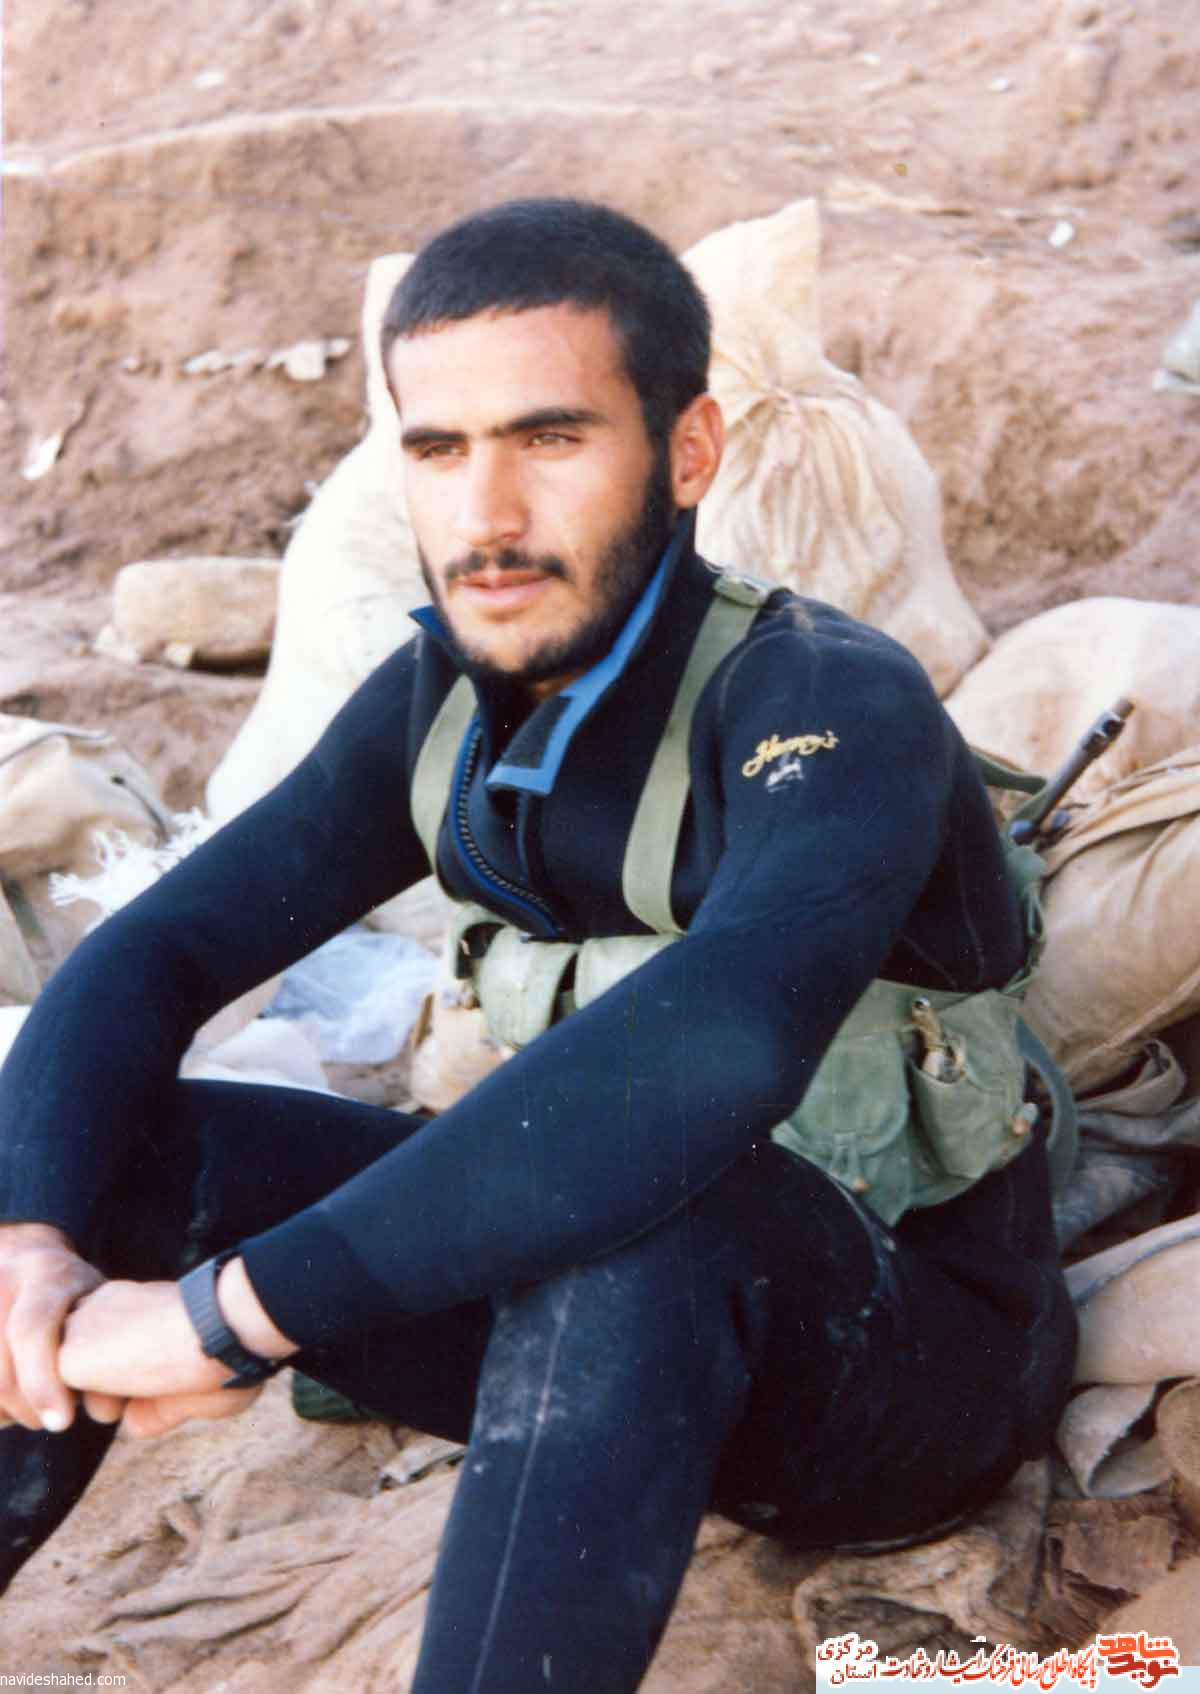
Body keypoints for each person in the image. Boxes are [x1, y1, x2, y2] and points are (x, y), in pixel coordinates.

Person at [0, 198, 1076, 1691]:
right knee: (90, 1146)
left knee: (636, 1215)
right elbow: (158, 952)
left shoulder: (827, 703)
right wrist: (32, 1247)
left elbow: (712, 1048)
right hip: (602, 1342)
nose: (487, 515)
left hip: (903, 1370)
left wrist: (229, 1319)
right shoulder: (443, 704)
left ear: (687, 454)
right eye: (439, 450)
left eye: (550, 440)